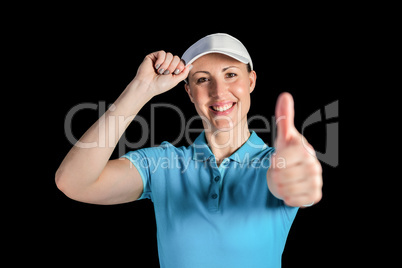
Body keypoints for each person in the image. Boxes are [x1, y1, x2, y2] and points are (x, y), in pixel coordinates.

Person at [56, 33, 323, 267]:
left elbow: (295, 182)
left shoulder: (275, 163)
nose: (219, 92)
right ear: (189, 92)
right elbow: (73, 182)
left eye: (231, 74)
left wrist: (298, 174)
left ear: (251, 81)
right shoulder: (162, 164)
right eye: (203, 79)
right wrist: (141, 89)